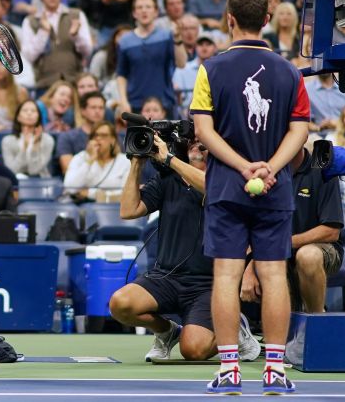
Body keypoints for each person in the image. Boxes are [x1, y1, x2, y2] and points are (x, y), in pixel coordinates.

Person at [190, 0, 310, 394]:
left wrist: (242, 166)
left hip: (226, 186)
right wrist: (270, 167)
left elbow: (202, 131)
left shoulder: (210, 68)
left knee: (226, 274)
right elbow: (300, 130)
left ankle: (229, 370)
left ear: (229, 20)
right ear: (266, 21)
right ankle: (275, 369)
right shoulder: (289, 71)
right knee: (275, 274)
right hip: (275, 189)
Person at [111, 134, 261, 363]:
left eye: (201, 141)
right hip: (166, 277)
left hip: (209, 283)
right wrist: (136, 164)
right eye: (190, 140)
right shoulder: (168, 179)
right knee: (120, 304)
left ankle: (234, 326)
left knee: (193, 351)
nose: (195, 146)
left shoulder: (231, 177)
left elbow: (213, 190)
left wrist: (170, 159)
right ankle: (167, 331)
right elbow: (128, 211)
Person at [241, 147, 343, 315]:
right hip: (278, 253)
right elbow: (257, 230)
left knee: (307, 256)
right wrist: (250, 268)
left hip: (321, 248)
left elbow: (332, 231)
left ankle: (317, 320)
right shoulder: (265, 173)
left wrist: (284, 243)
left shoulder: (322, 165)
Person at [20, 0, 92, 90]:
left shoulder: (76, 16)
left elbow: (87, 51)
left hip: (74, 82)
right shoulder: (30, 21)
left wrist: (76, 35)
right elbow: (29, 56)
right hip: (44, 83)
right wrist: (43, 33)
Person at [63, 121, 130, 201]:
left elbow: (127, 193)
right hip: (84, 208)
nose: (98, 138)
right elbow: (69, 187)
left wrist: (91, 194)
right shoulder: (80, 158)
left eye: (104, 135)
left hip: (114, 208)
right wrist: (90, 161)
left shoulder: (124, 161)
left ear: (113, 140)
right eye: (95, 135)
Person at [55, 91, 106, 175]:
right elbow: (68, 170)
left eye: (101, 108)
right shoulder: (67, 137)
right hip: (77, 186)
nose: (97, 111)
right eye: (93, 107)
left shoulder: (112, 138)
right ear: (83, 111)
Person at [1, 99, 55, 178]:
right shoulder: (8, 141)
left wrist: (35, 145)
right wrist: (24, 148)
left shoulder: (48, 140)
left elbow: (34, 171)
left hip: (41, 181)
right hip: (16, 183)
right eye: (25, 110)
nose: (29, 113)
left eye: (33, 111)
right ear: (18, 117)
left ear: (38, 116)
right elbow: (11, 171)